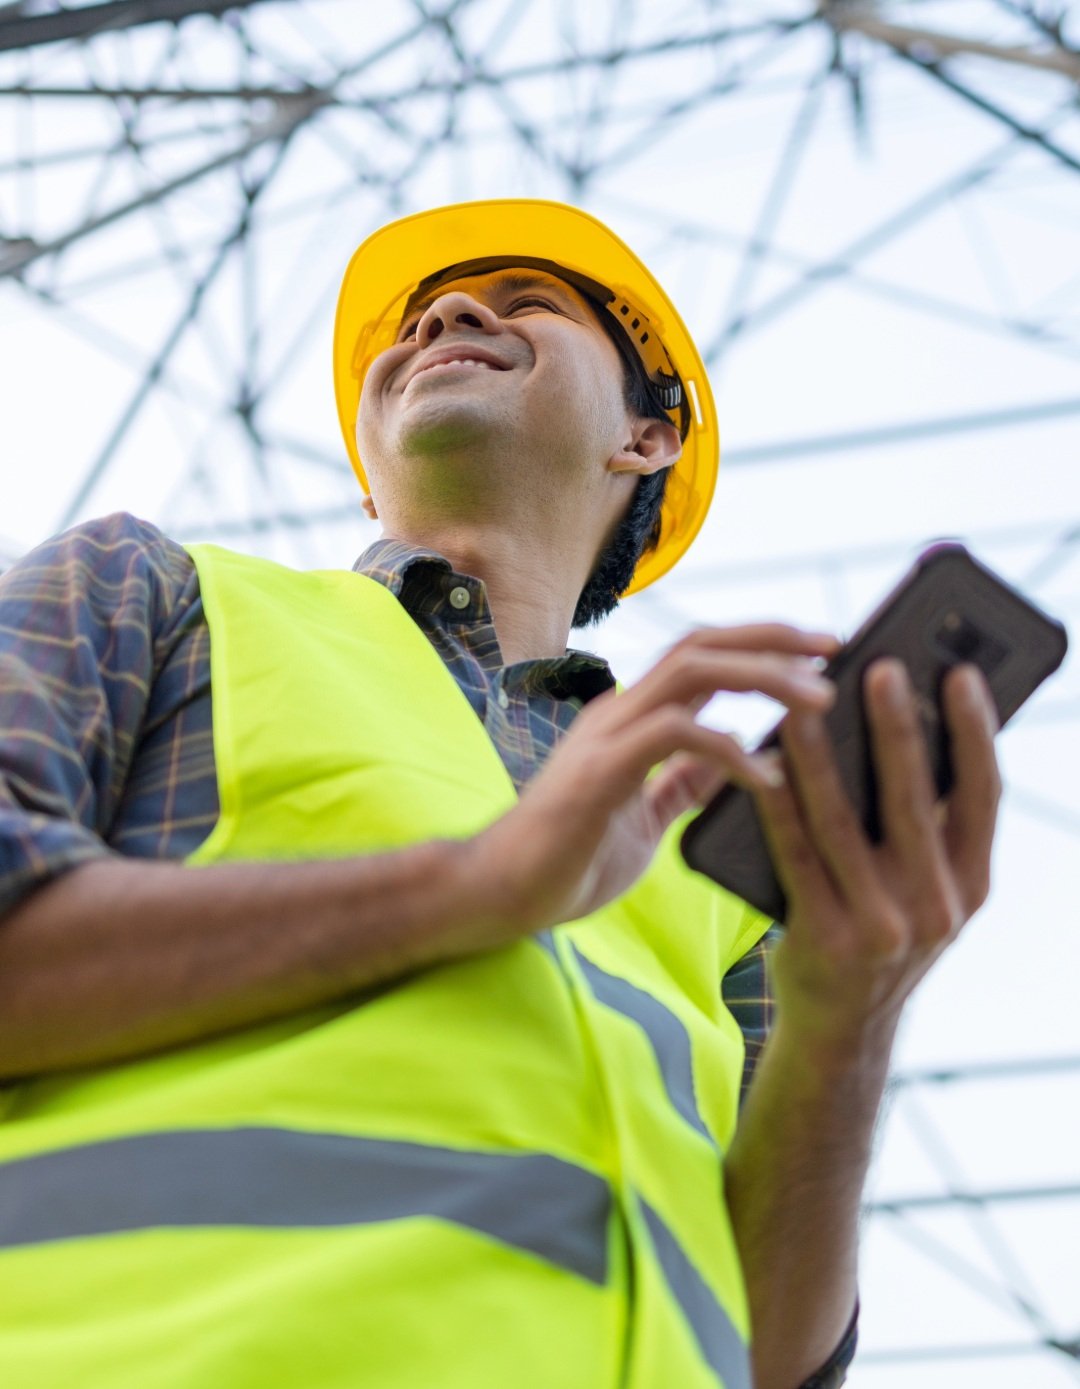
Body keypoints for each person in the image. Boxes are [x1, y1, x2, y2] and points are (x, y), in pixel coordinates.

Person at [0, 201, 1000, 1389]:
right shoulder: (151, 591)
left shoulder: (721, 848)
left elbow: (773, 1355)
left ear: (647, 437)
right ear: (372, 466)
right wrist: (476, 887)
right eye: (420, 320)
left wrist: (853, 1025)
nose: (449, 314)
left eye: (529, 302)